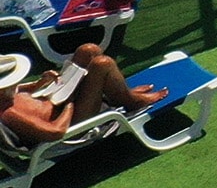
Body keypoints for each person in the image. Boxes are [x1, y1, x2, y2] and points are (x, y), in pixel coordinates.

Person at [3, 46, 162, 145]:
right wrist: (69, 105)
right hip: (73, 124)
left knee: (88, 51)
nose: (15, 83)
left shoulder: (6, 96)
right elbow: (55, 131)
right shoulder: (10, 113)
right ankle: (132, 101)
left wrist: (41, 83)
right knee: (102, 64)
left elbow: (23, 91)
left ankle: (122, 94)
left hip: (58, 99)